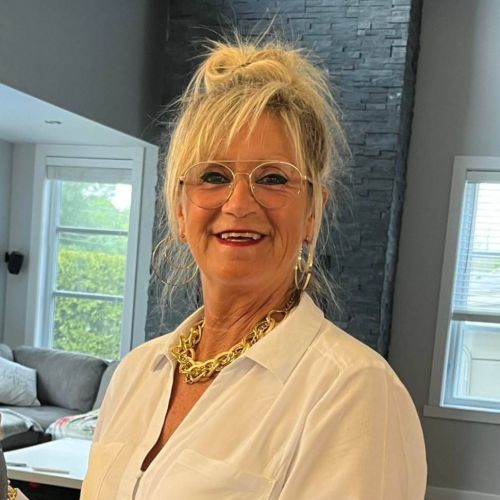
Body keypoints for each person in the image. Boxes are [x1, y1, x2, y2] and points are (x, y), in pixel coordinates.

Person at [81, 32, 427, 499]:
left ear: (311, 213)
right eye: (213, 176)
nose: (239, 203)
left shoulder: (353, 390)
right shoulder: (136, 373)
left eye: (273, 178)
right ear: (180, 212)